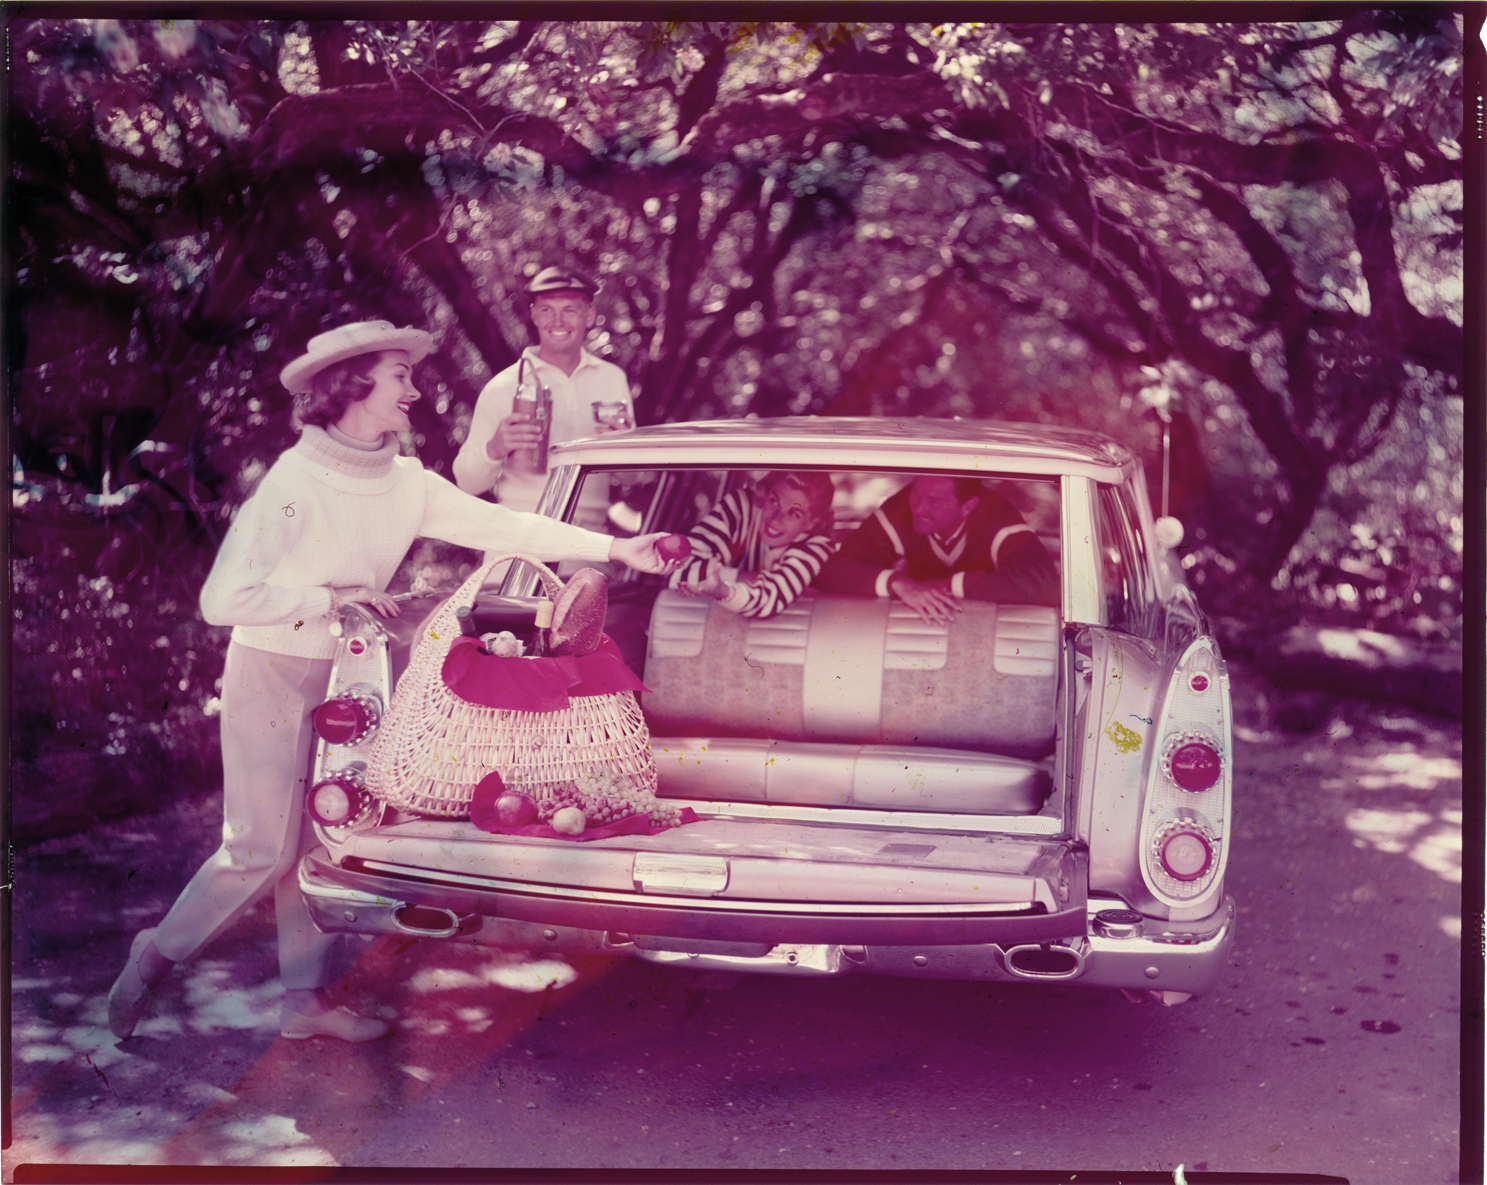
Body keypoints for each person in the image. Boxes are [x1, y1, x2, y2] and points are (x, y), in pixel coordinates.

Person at [107, 320, 678, 1044]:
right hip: (272, 669)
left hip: (353, 669)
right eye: (400, 375)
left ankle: (302, 1002)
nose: (414, 390)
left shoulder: (406, 482)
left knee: (326, 833)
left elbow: (509, 528)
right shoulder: (291, 484)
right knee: (258, 849)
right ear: (352, 385)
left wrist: (618, 547)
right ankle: (153, 957)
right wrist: (330, 597)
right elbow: (223, 600)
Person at [453, 266, 633, 528]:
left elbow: (634, 479)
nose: (557, 321)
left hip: (590, 538)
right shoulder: (504, 386)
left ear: (590, 316)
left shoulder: (612, 379)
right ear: (534, 315)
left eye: (570, 310)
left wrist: (625, 449)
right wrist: (495, 447)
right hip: (523, 533)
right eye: (547, 310)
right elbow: (466, 483)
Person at [814, 474, 1058, 625]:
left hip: (985, 631)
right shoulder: (900, 510)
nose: (918, 508)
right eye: (915, 493)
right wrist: (898, 583)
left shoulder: (996, 517)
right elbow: (832, 570)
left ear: (967, 507)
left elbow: (1043, 583)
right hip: (915, 629)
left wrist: (950, 585)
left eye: (934, 501)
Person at [670, 471, 837, 619]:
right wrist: (746, 578)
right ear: (765, 494)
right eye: (774, 501)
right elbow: (676, 566)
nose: (776, 518)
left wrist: (723, 589)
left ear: (812, 522)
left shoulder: (818, 544)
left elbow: (769, 600)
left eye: (794, 513)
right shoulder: (740, 506)